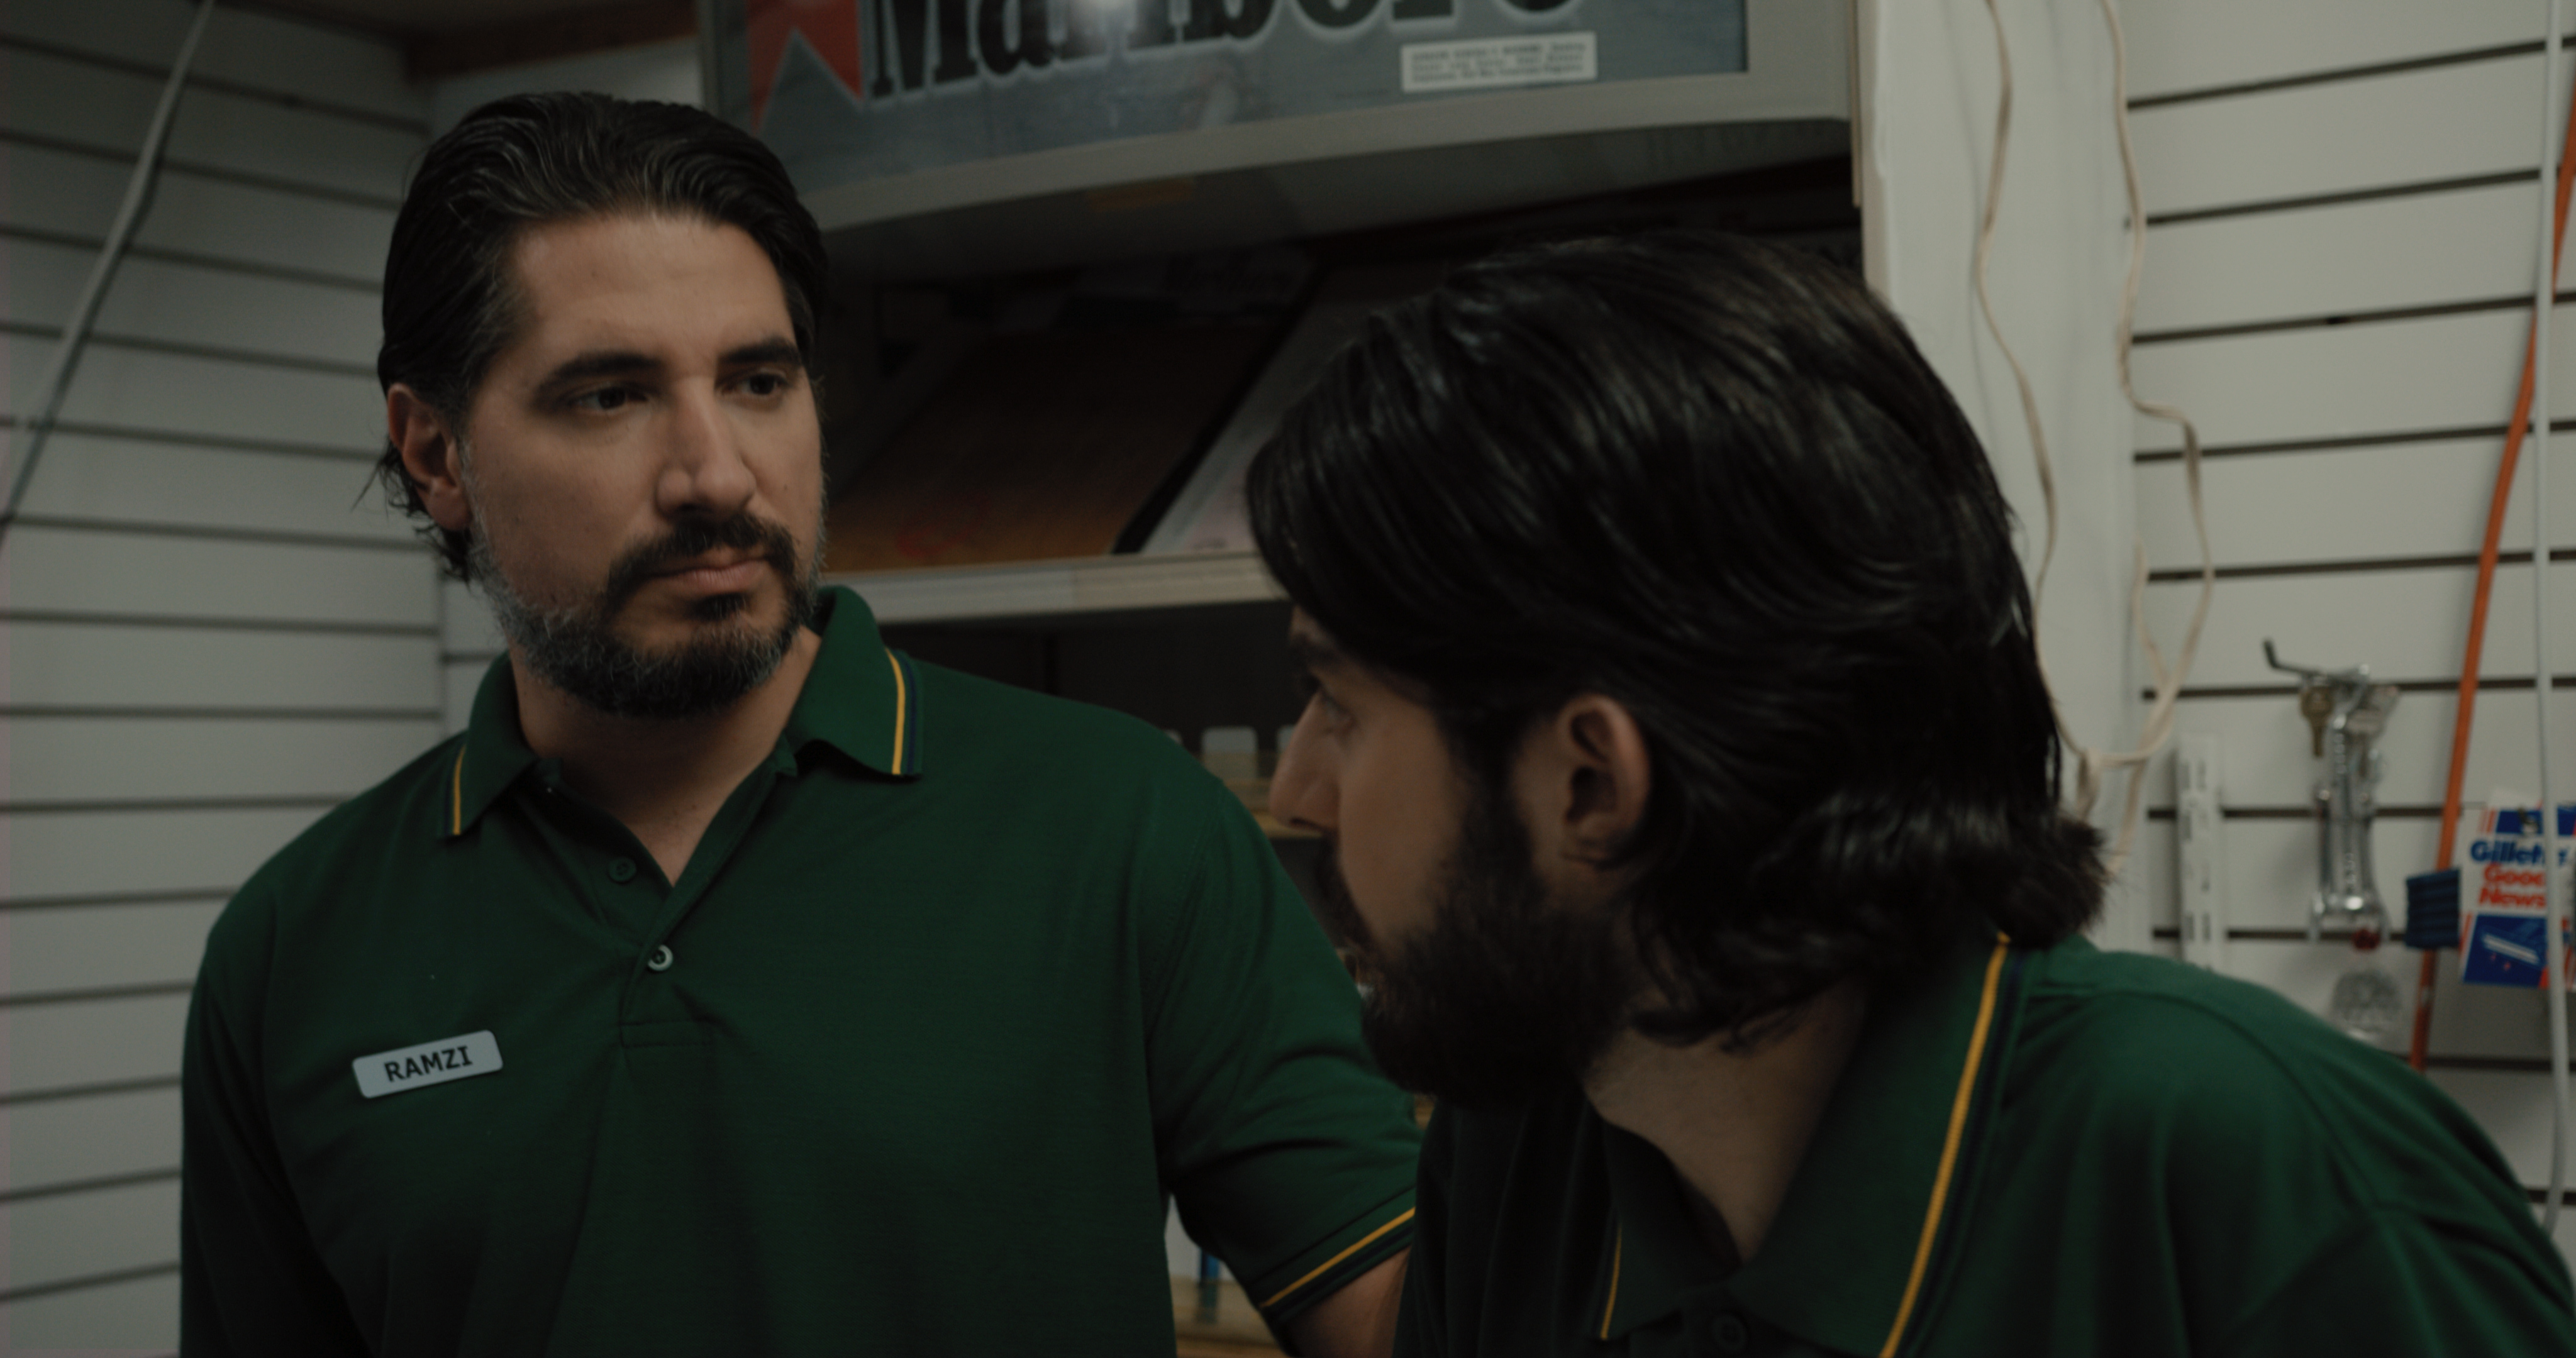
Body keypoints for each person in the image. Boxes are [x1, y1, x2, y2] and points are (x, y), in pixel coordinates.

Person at [179, 92, 1416, 1357]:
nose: (717, 474)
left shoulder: (1123, 828)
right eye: (610, 396)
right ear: (436, 453)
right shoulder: (294, 951)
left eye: (758, 381)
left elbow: (1397, 1312)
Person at [1249, 229, 2576, 1356]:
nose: (1297, 789)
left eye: (1338, 706)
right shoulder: (1526, 1160)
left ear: (1592, 786)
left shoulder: (2274, 1191)